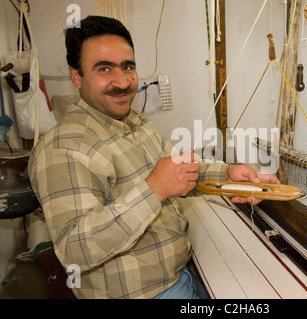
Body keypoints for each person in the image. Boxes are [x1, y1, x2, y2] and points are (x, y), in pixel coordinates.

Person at [28, 15, 279, 299]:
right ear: (76, 76)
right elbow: (76, 250)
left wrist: (228, 173)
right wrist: (155, 189)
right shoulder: (64, 149)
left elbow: (178, 170)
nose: (122, 82)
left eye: (128, 67)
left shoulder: (134, 122)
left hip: (179, 273)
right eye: (104, 69)